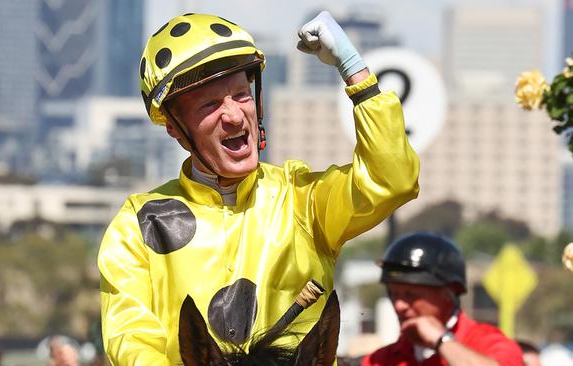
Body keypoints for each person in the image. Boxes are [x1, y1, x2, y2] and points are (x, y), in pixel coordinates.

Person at [98, 10, 420, 365]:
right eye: (210, 104)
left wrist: (354, 70)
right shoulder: (137, 225)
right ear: (174, 127)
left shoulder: (301, 198)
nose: (235, 115)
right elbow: (131, 339)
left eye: (241, 94)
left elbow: (393, 180)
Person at [361, 232, 523, 366]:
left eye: (411, 295)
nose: (399, 305)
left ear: (449, 293)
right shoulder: (380, 361)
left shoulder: (490, 343)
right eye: (393, 294)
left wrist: (441, 340)